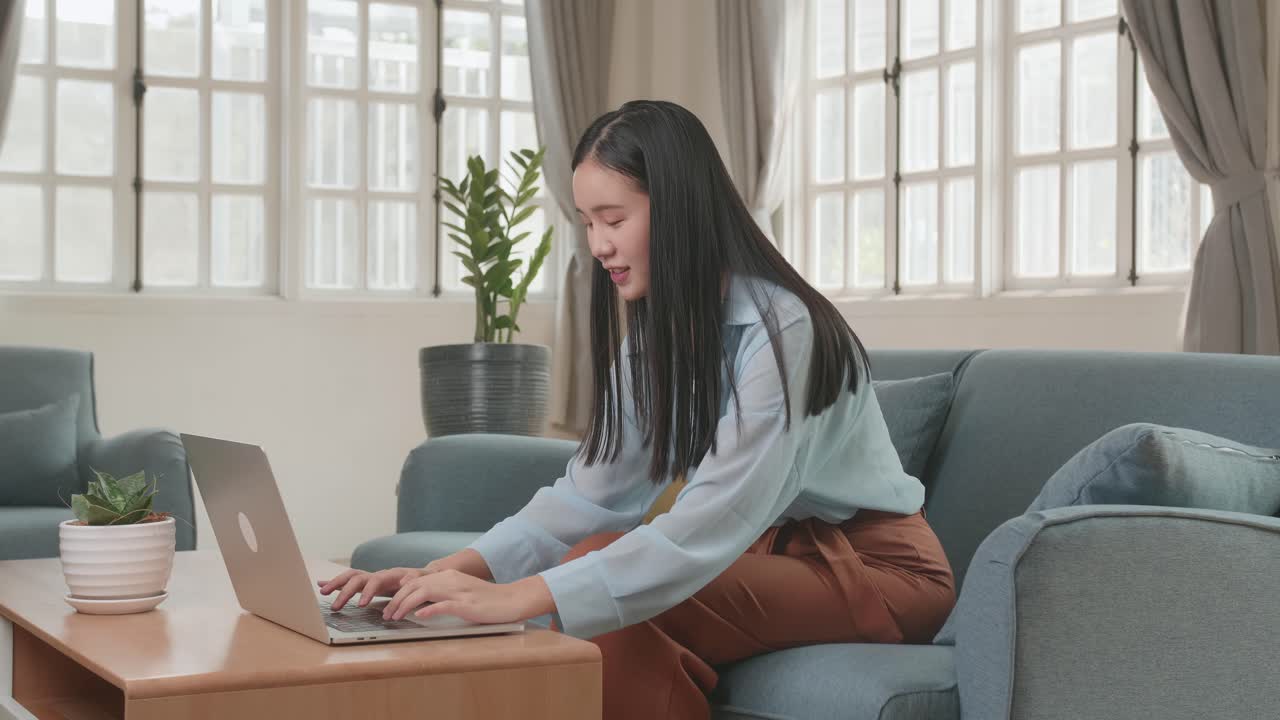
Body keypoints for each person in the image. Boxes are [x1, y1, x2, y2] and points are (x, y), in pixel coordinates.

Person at [319, 100, 955, 720]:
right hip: (768, 557)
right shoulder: (659, 335)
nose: (597, 244)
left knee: (595, 581)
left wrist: (515, 597)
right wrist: (442, 573)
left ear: (678, 210)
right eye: (587, 223)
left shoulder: (784, 329)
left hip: (878, 570)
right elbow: (589, 496)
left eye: (614, 219)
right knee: (597, 568)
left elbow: (711, 519)